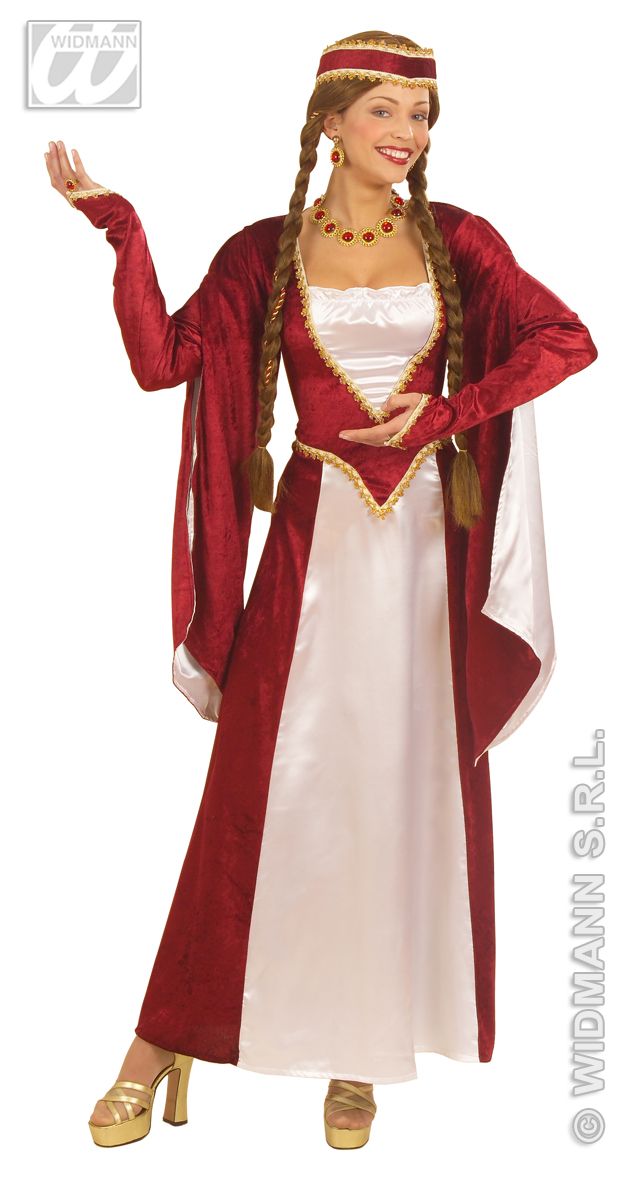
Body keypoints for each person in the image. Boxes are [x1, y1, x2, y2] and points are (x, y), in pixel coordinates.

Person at [45, 30, 598, 1151]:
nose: (407, 134)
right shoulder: (264, 251)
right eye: (384, 111)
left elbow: (565, 339)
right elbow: (160, 360)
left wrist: (446, 414)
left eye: (420, 115)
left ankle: (359, 1055)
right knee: (251, 797)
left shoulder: (460, 241)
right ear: (331, 120)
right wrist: (121, 226)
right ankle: (158, 1044)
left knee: (396, 793)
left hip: (427, 564)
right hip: (309, 556)